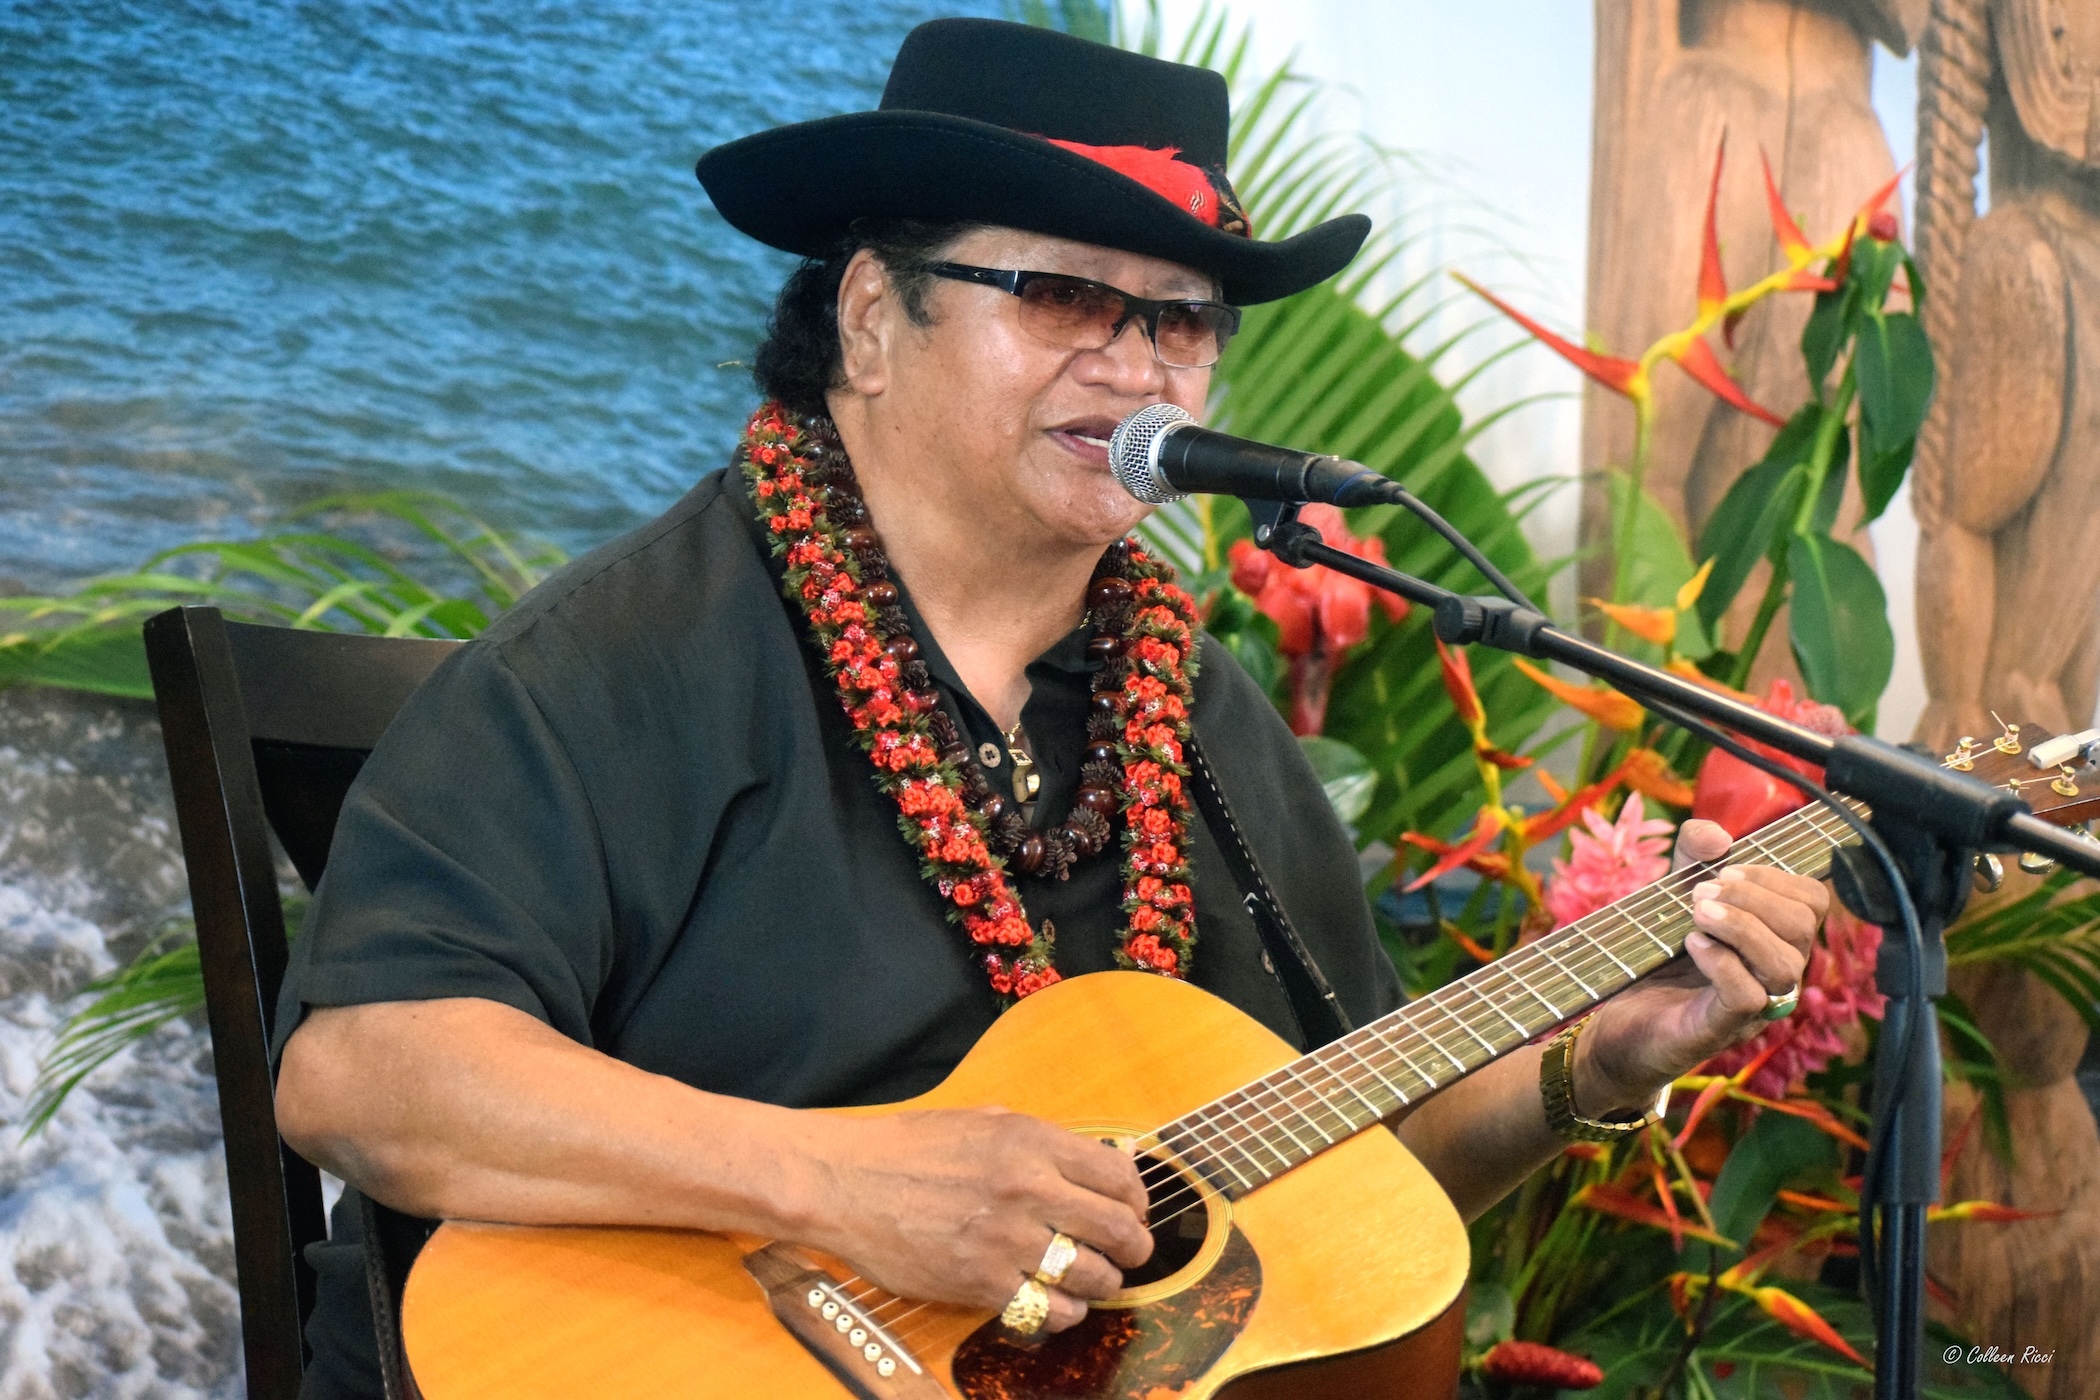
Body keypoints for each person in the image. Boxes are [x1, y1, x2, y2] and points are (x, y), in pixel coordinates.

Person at [271, 18, 1828, 1397]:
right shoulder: (624, 659)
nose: (1137, 365)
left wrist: (1596, 1064)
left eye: (1183, 317)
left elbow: (1359, 1170)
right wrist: (838, 1185)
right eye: (1065, 293)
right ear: (873, 317)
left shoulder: (1200, 720)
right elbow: (365, 1069)